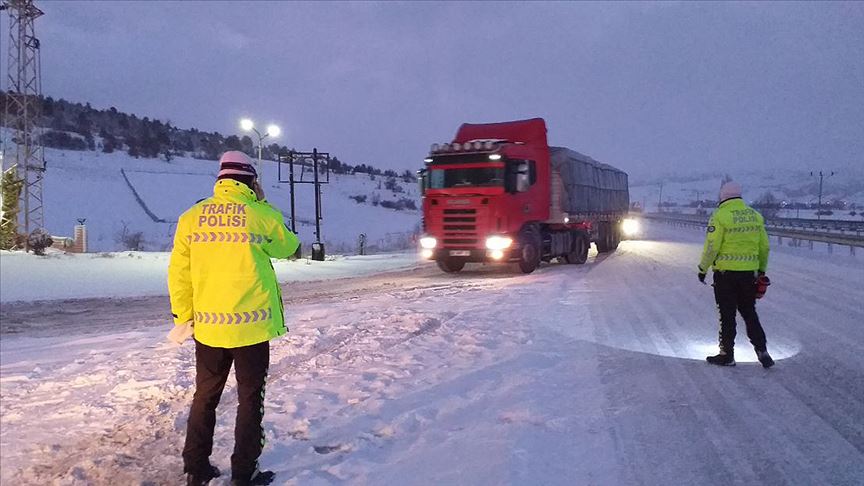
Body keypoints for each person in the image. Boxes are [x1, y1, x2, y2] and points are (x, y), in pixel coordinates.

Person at [168, 151, 299, 485]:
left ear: (221, 181)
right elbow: (288, 247)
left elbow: (179, 274)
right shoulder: (259, 214)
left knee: (205, 397)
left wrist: (184, 316)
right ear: (251, 181)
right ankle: (244, 472)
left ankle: (195, 468)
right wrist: (264, 205)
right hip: (252, 329)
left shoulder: (191, 217)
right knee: (250, 399)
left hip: (209, 329)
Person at [697, 181, 774, 368]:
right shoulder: (755, 216)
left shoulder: (720, 216)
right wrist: (761, 270)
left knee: (727, 314)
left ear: (722, 196)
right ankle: (762, 351)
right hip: (749, 275)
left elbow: (712, 247)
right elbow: (764, 246)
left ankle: (727, 355)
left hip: (725, 275)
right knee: (749, 313)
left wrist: (702, 268)